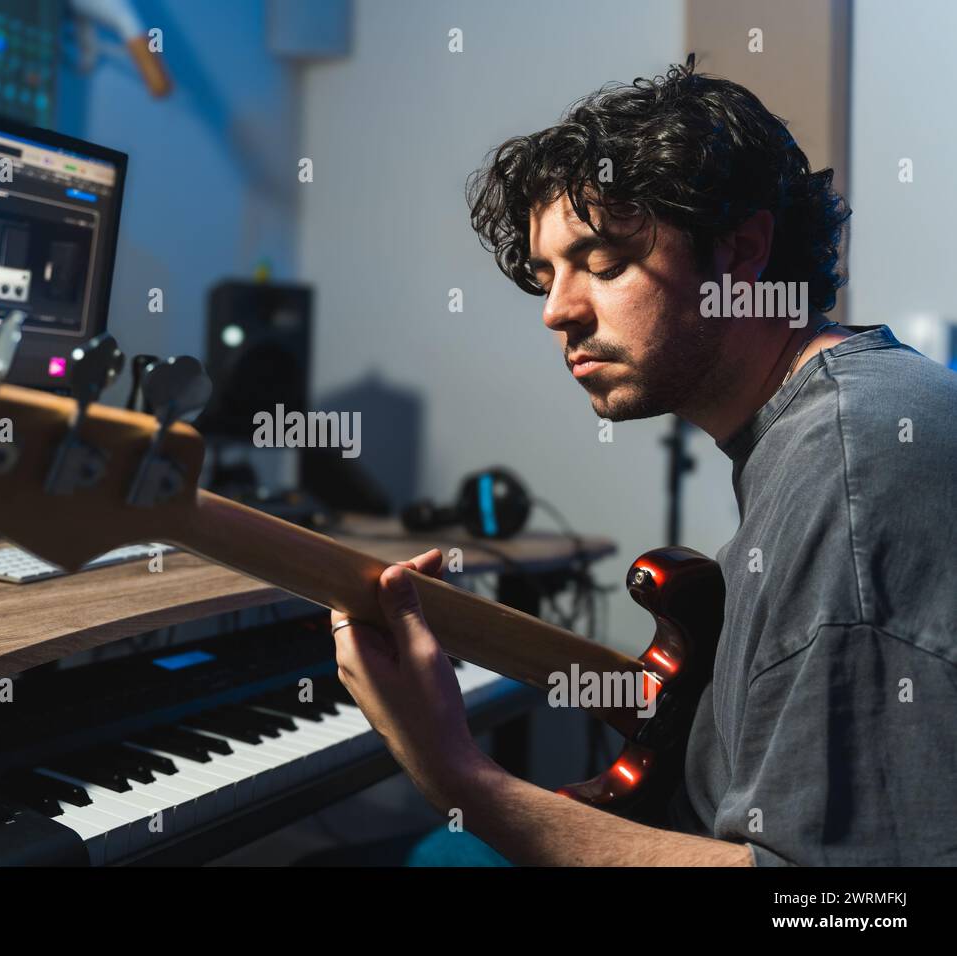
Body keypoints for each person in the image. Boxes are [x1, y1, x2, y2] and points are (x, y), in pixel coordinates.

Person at [328, 57, 957, 865]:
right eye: (547, 276)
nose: (557, 310)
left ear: (742, 252)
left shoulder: (852, 461)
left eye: (604, 262)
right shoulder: (814, 428)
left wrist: (452, 770)